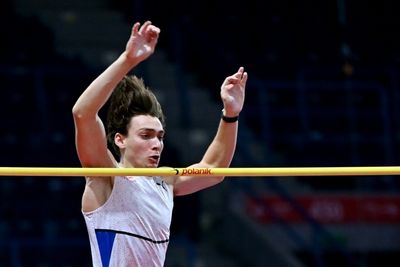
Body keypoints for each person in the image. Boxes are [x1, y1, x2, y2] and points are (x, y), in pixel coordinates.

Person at [72, 20, 247, 267]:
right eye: (146, 136)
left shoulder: (165, 181)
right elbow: (83, 114)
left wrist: (230, 113)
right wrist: (128, 60)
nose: (156, 144)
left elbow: (214, 168)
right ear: (120, 140)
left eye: (160, 136)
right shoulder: (105, 177)